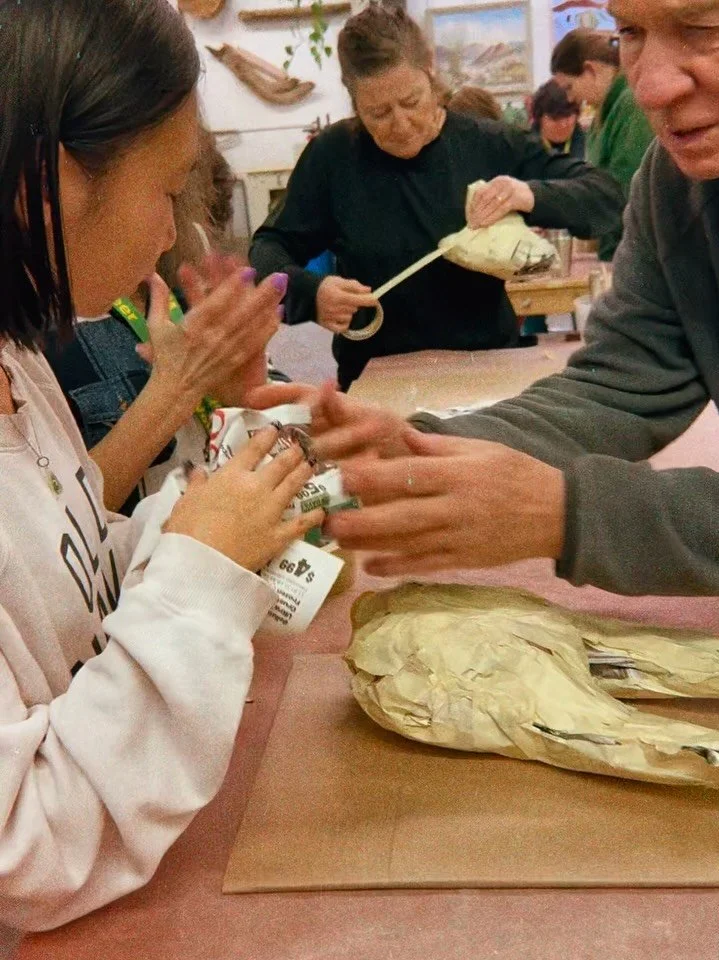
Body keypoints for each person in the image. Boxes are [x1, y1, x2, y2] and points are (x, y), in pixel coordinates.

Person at [0, 0, 324, 937]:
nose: (169, 235)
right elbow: (27, 848)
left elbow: (64, 579)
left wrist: (208, 513)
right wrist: (197, 576)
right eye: (168, 191)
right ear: (44, 188)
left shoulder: (21, 364)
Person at [246, 0, 719, 600]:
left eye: (704, 29)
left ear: (435, 83)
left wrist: (568, 513)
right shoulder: (672, 186)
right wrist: (422, 442)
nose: (648, 86)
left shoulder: (492, 143)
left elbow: (593, 194)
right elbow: (624, 385)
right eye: (629, 33)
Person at [249, 2, 625, 391]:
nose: (401, 123)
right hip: (380, 377)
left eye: (411, 101)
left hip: (487, 371)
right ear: (354, 102)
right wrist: (311, 293)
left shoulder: (488, 144)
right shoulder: (334, 157)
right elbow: (267, 250)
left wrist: (526, 194)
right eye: (377, 113)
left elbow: (607, 199)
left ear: (430, 70)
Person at [44, 132, 273, 515]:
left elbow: (252, 432)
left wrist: (243, 400)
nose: (171, 234)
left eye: (179, 193)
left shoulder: (175, 273)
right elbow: (48, 535)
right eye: (165, 191)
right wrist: (175, 390)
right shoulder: (27, 345)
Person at [551, 28, 655, 259]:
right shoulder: (606, 112)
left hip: (635, 255)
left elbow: (624, 191)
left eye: (569, 87)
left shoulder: (630, 106)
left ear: (590, 70)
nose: (569, 99)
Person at [530, 79, 585, 159]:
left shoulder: (591, 147)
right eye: (555, 118)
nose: (563, 124)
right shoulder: (524, 153)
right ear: (539, 118)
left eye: (568, 116)